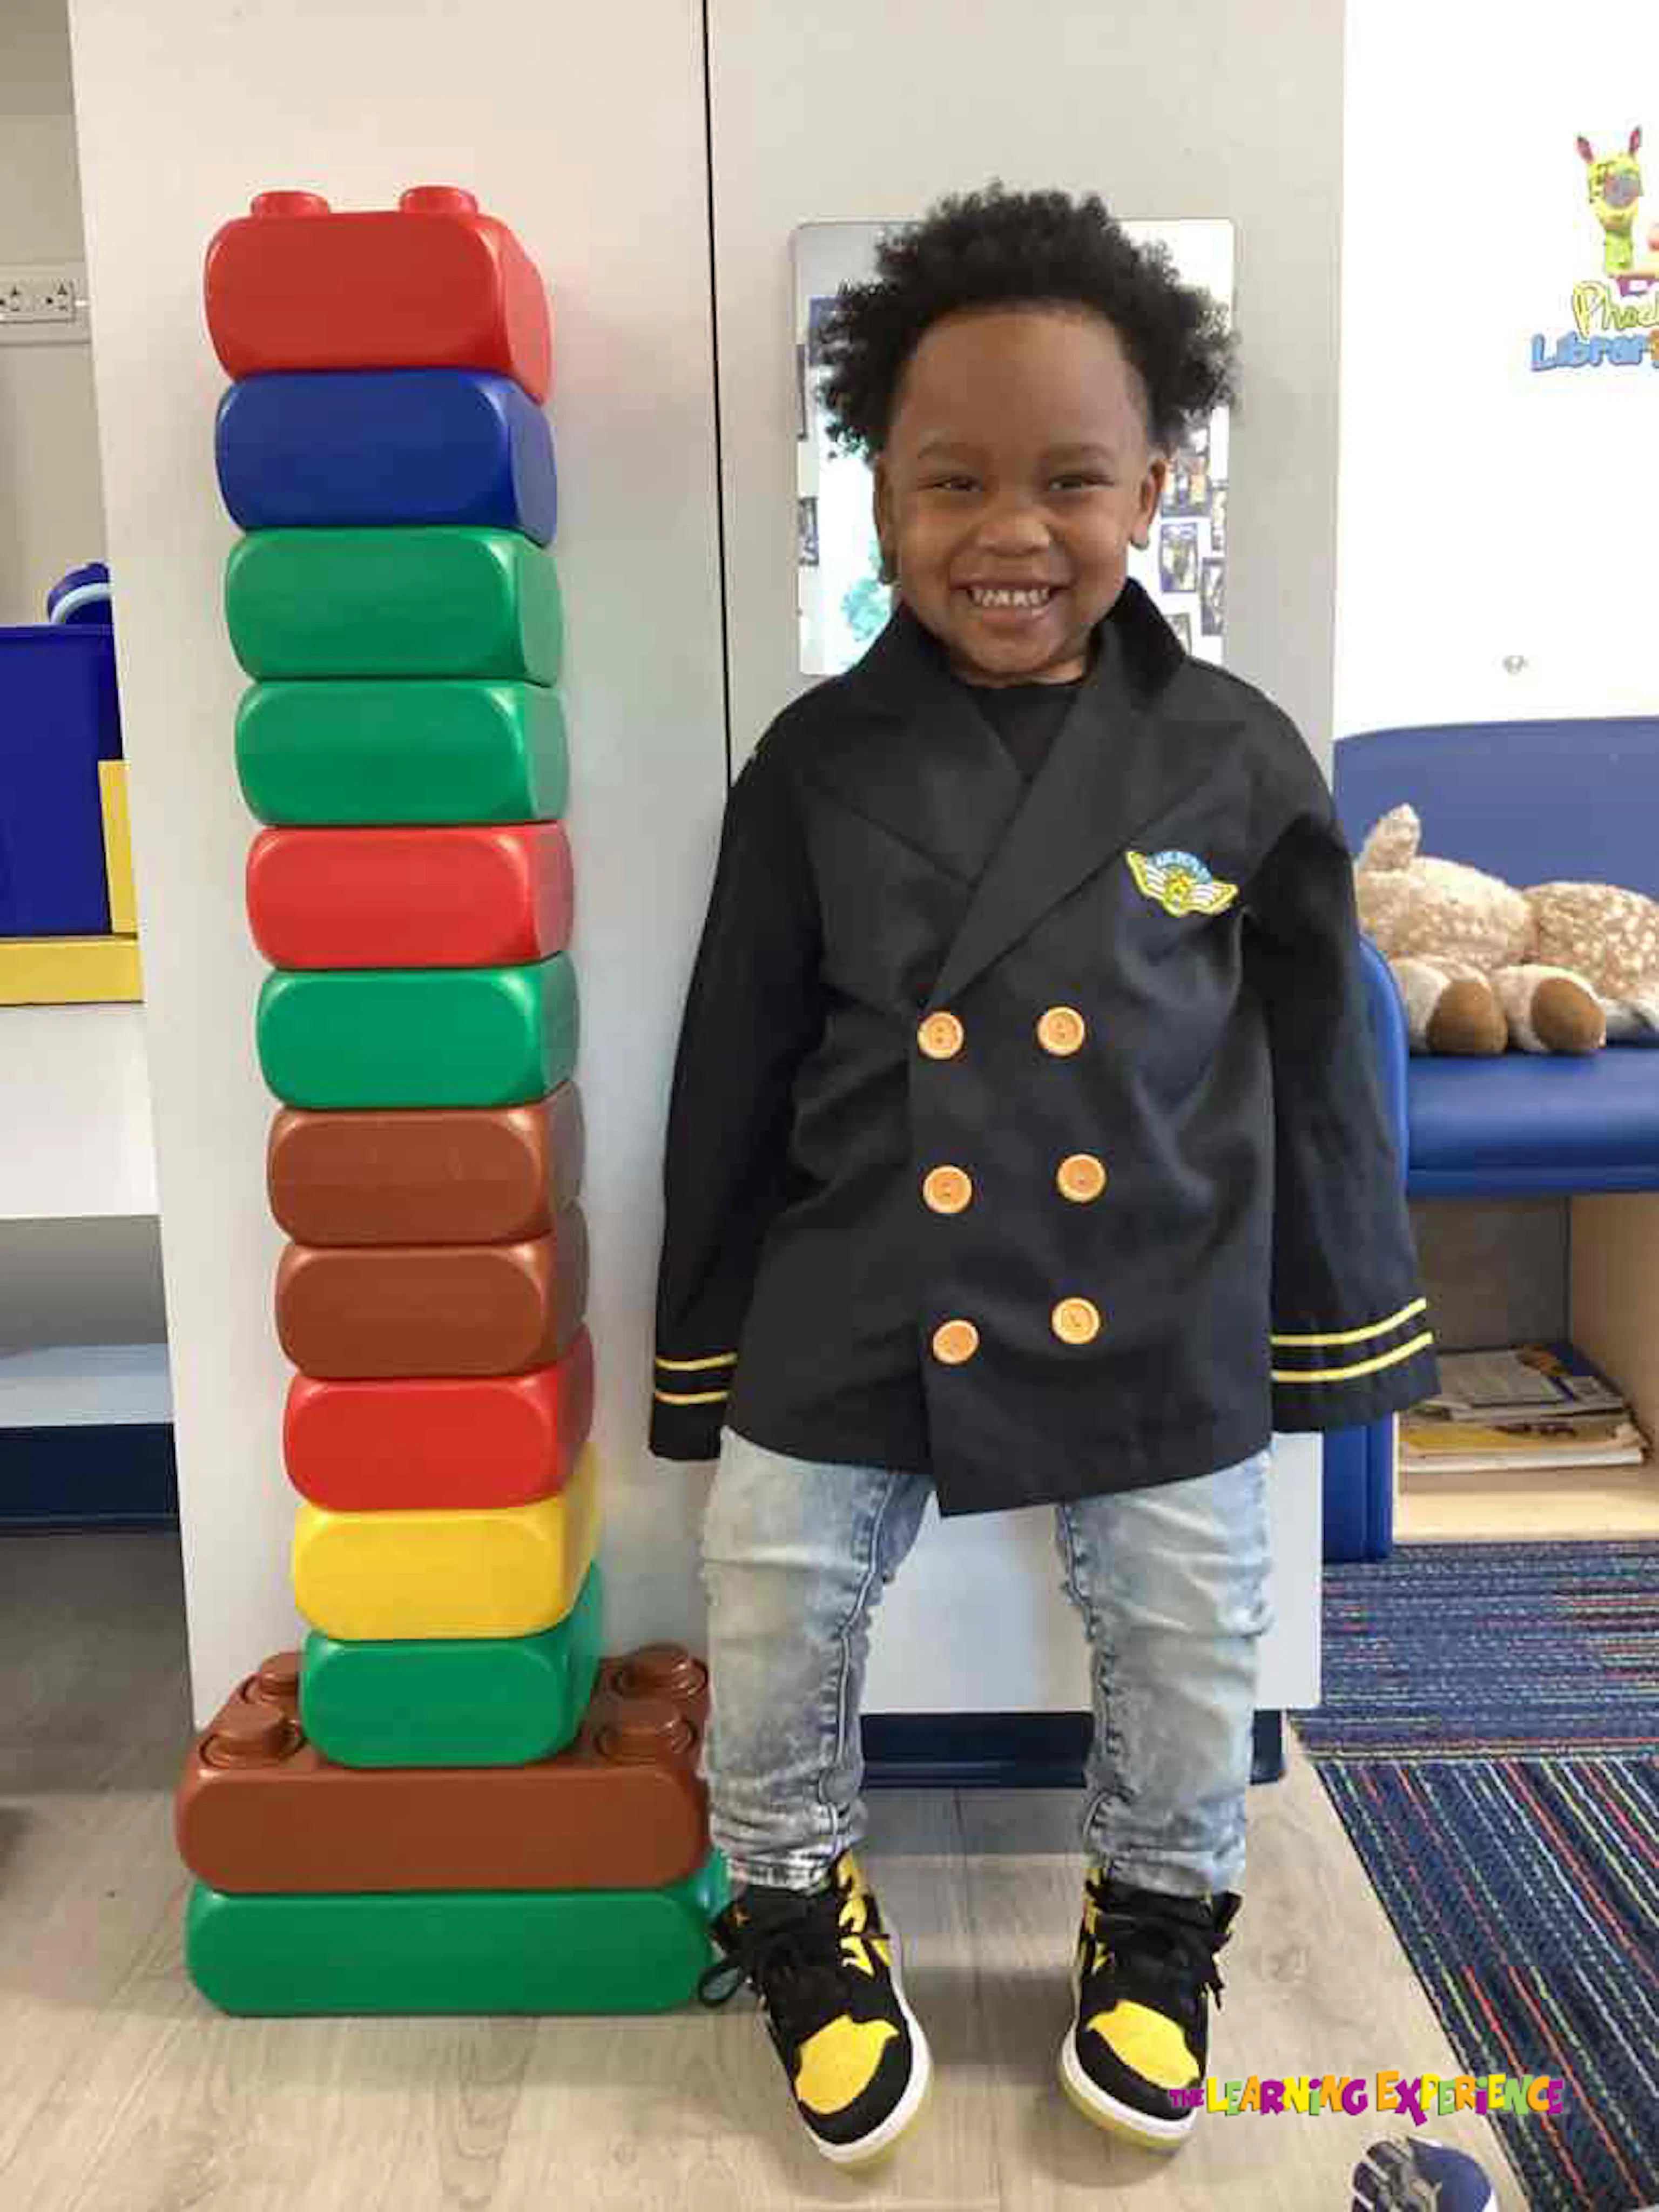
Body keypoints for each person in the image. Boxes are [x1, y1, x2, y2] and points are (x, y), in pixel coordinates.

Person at [649, 181, 1436, 2167]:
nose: (1011, 531)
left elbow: (1323, 1072)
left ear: (1153, 489)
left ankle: (1159, 1918)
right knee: (767, 1590)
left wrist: (1332, 1331)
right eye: (954, 481)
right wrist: (706, 1347)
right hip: (860, 1273)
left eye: (1071, 481)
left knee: (1190, 1623)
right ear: (882, 496)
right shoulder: (814, 764)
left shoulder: (1239, 756)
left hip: (1157, 1268)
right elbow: (736, 1066)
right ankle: (793, 1903)